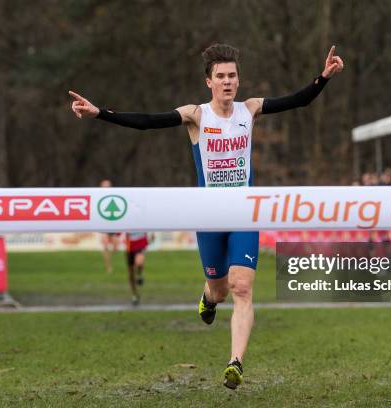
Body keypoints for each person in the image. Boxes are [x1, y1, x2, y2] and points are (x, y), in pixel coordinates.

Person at [69, 43, 343, 389]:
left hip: (244, 211)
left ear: (239, 81)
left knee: (241, 287)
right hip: (209, 215)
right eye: (221, 76)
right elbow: (147, 123)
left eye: (232, 76)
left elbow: (299, 100)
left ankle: (235, 363)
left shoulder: (251, 109)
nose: (227, 82)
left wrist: (323, 78)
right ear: (208, 82)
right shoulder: (196, 115)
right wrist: (100, 113)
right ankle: (207, 298)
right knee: (220, 291)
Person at [124, 232, 153, 306]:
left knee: (139, 262)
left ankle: (139, 274)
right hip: (129, 244)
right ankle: (135, 295)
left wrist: (151, 234)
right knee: (130, 273)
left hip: (140, 242)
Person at [99, 179, 122, 274]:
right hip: (103, 224)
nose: (106, 188)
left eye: (108, 186)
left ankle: (110, 257)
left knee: (116, 246)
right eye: (104, 186)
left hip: (113, 224)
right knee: (105, 246)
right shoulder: (98, 197)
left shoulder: (114, 196)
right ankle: (108, 267)